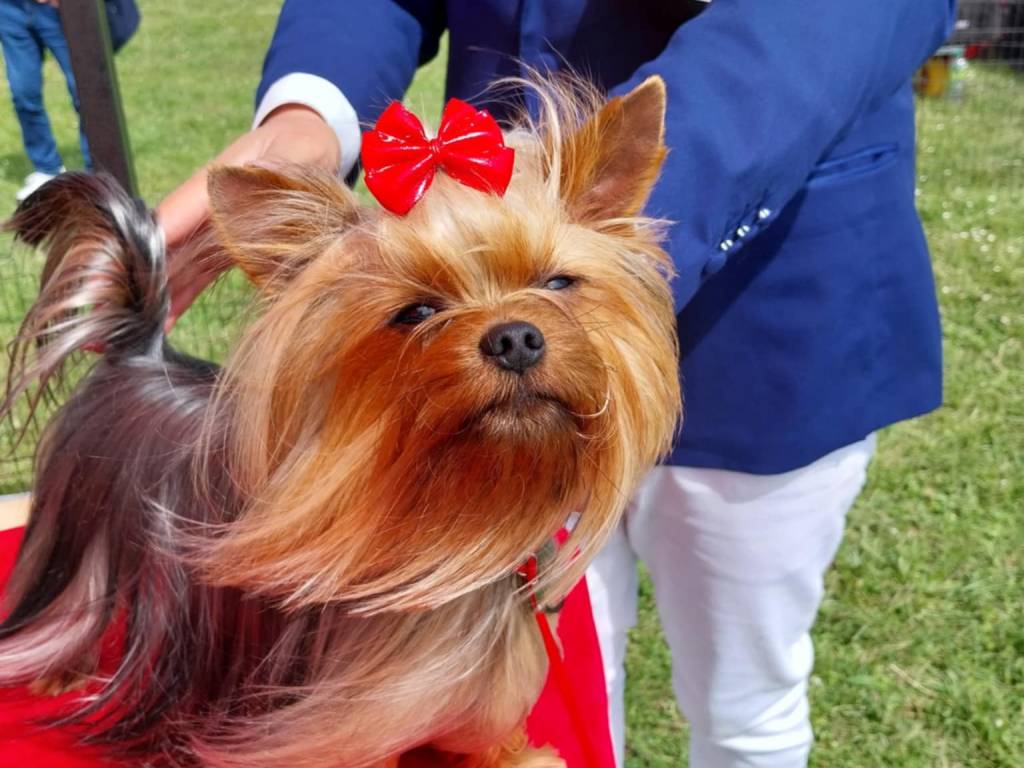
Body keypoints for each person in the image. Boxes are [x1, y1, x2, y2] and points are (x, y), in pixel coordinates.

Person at [157, 2, 954, 766]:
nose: (516, 333)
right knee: (548, 704)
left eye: (552, 286)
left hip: (771, 310)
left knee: (746, 703)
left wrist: (585, 220)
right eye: (421, 311)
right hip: (481, 350)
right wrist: (307, 115)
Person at [1, 0, 91, 202]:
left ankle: (97, 170)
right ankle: (46, 168)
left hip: (57, 9)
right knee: (23, 93)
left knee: (85, 91)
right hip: (10, 9)